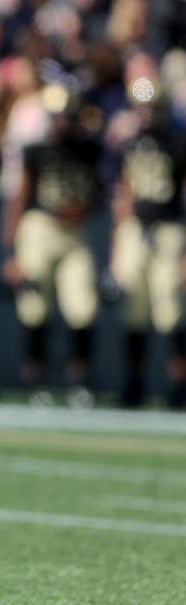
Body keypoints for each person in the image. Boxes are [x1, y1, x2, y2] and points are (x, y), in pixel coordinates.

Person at [1, 86, 102, 405]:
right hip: (39, 227)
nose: (61, 122)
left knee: (83, 307)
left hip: (74, 232)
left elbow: (100, 192)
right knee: (34, 309)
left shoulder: (88, 150)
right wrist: (11, 250)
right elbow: (18, 197)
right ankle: (36, 379)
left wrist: (82, 209)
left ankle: (79, 380)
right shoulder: (36, 151)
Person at [110, 99, 186, 407]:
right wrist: (117, 243)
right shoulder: (128, 144)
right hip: (135, 230)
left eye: (151, 106)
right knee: (133, 311)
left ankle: (179, 383)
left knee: (170, 311)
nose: (146, 113)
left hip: (169, 230)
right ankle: (134, 382)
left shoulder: (178, 141)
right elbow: (123, 191)